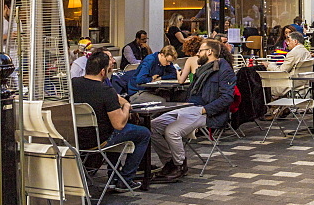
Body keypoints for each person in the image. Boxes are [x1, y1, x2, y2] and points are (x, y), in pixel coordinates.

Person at [151, 38, 236, 182]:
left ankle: (179, 166)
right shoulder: (203, 69)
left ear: (209, 52)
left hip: (206, 111)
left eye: (200, 51)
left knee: (172, 131)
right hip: (190, 107)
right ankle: (170, 162)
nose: (198, 54)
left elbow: (227, 97)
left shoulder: (223, 69)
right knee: (153, 125)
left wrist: (205, 110)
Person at [72, 50, 150, 191]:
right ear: (103, 71)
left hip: (76, 138)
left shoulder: (73, 84)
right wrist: (126, 106)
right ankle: (125, 179)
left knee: (115, 131)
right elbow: (119, 124)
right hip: (100, 140)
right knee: (143, 133)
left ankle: (113, 176)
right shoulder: (105, 90)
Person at [266, 31, 310, 97]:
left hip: (290, 84)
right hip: (303, 83)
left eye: (289, 41)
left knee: (262, 82)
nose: (287, 43)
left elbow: (281, 71)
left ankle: (270, 105)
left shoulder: (293, 53)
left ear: (295, 41)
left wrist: (269, 65)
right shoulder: (306, 52)